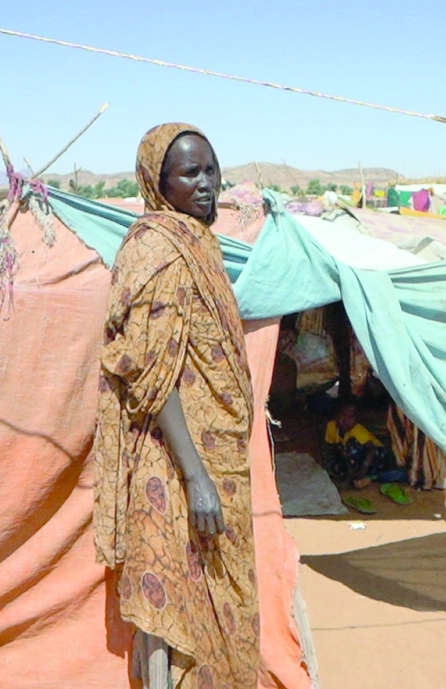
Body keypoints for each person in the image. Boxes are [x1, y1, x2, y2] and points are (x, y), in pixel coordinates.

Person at [94, 123, 259, 688]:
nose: (207, 183)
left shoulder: (200, 242)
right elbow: (151, 375)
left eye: (211, 170)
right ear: (158, 182)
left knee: (224, 596)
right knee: (184, 614)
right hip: (179, 464)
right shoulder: (158, 250)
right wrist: (196, 477)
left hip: (221, 464)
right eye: (191, 173)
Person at [323, 403, 391, 488]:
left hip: (376, 456)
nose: (345, 420)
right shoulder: (331, 426)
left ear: (356, 419)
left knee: (352, 445)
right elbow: (330, 448)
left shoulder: (358, 430)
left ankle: (353, 478)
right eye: (342, 415)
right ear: (337, 415)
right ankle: (358, 476)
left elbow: (371, 449)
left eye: (350, 417)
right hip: (356, 459)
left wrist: (364, 468)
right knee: (339, 468)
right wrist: (333, 464)